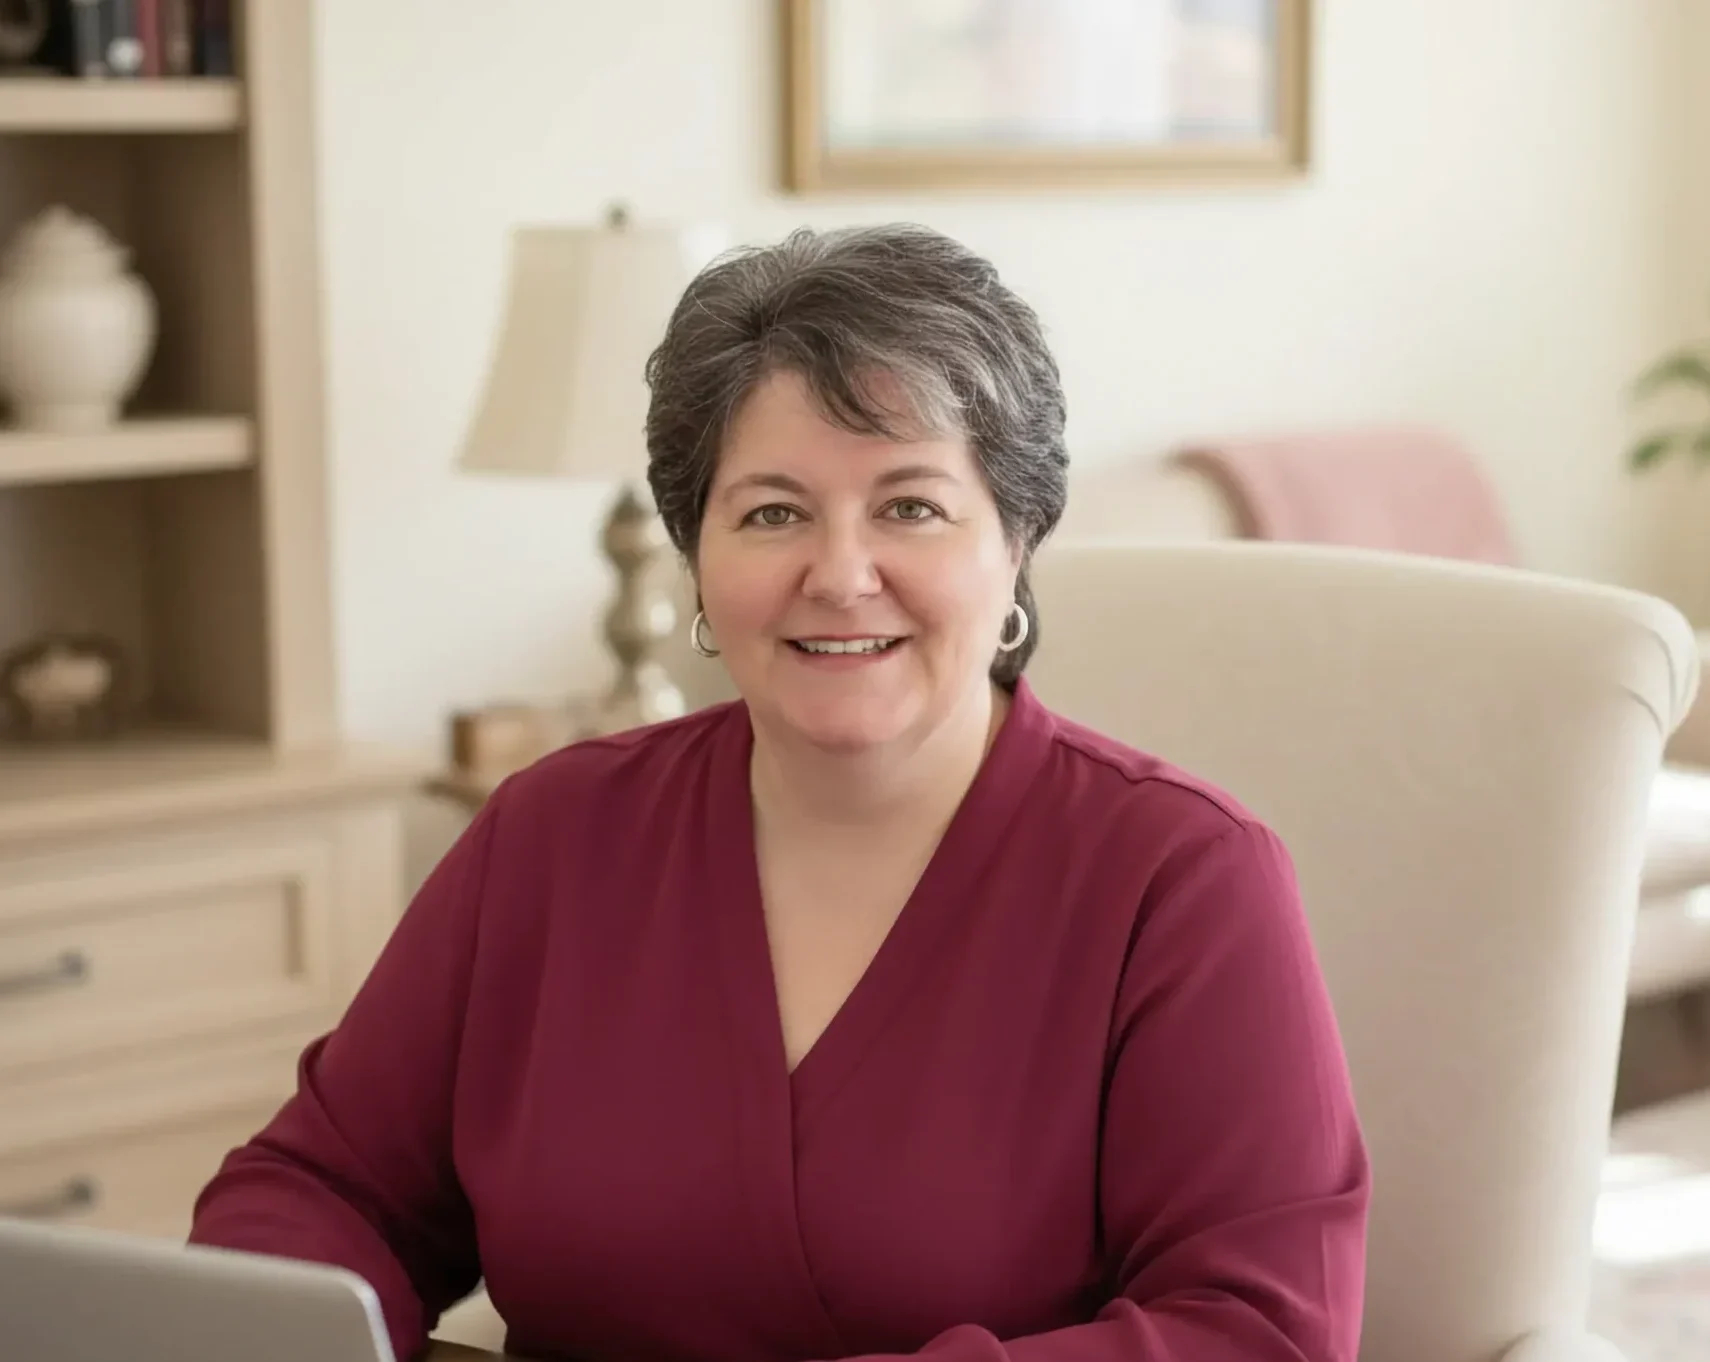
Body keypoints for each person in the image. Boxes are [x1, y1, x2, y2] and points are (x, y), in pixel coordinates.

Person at [188, 223, 1370, 1362]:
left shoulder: (1181, 879)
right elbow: (320, 1190)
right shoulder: (552, 834)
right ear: (697, 556)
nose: (841, 574)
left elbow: (1259, 1330)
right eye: (771, 513)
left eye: (910, 506)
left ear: (1015, 544)